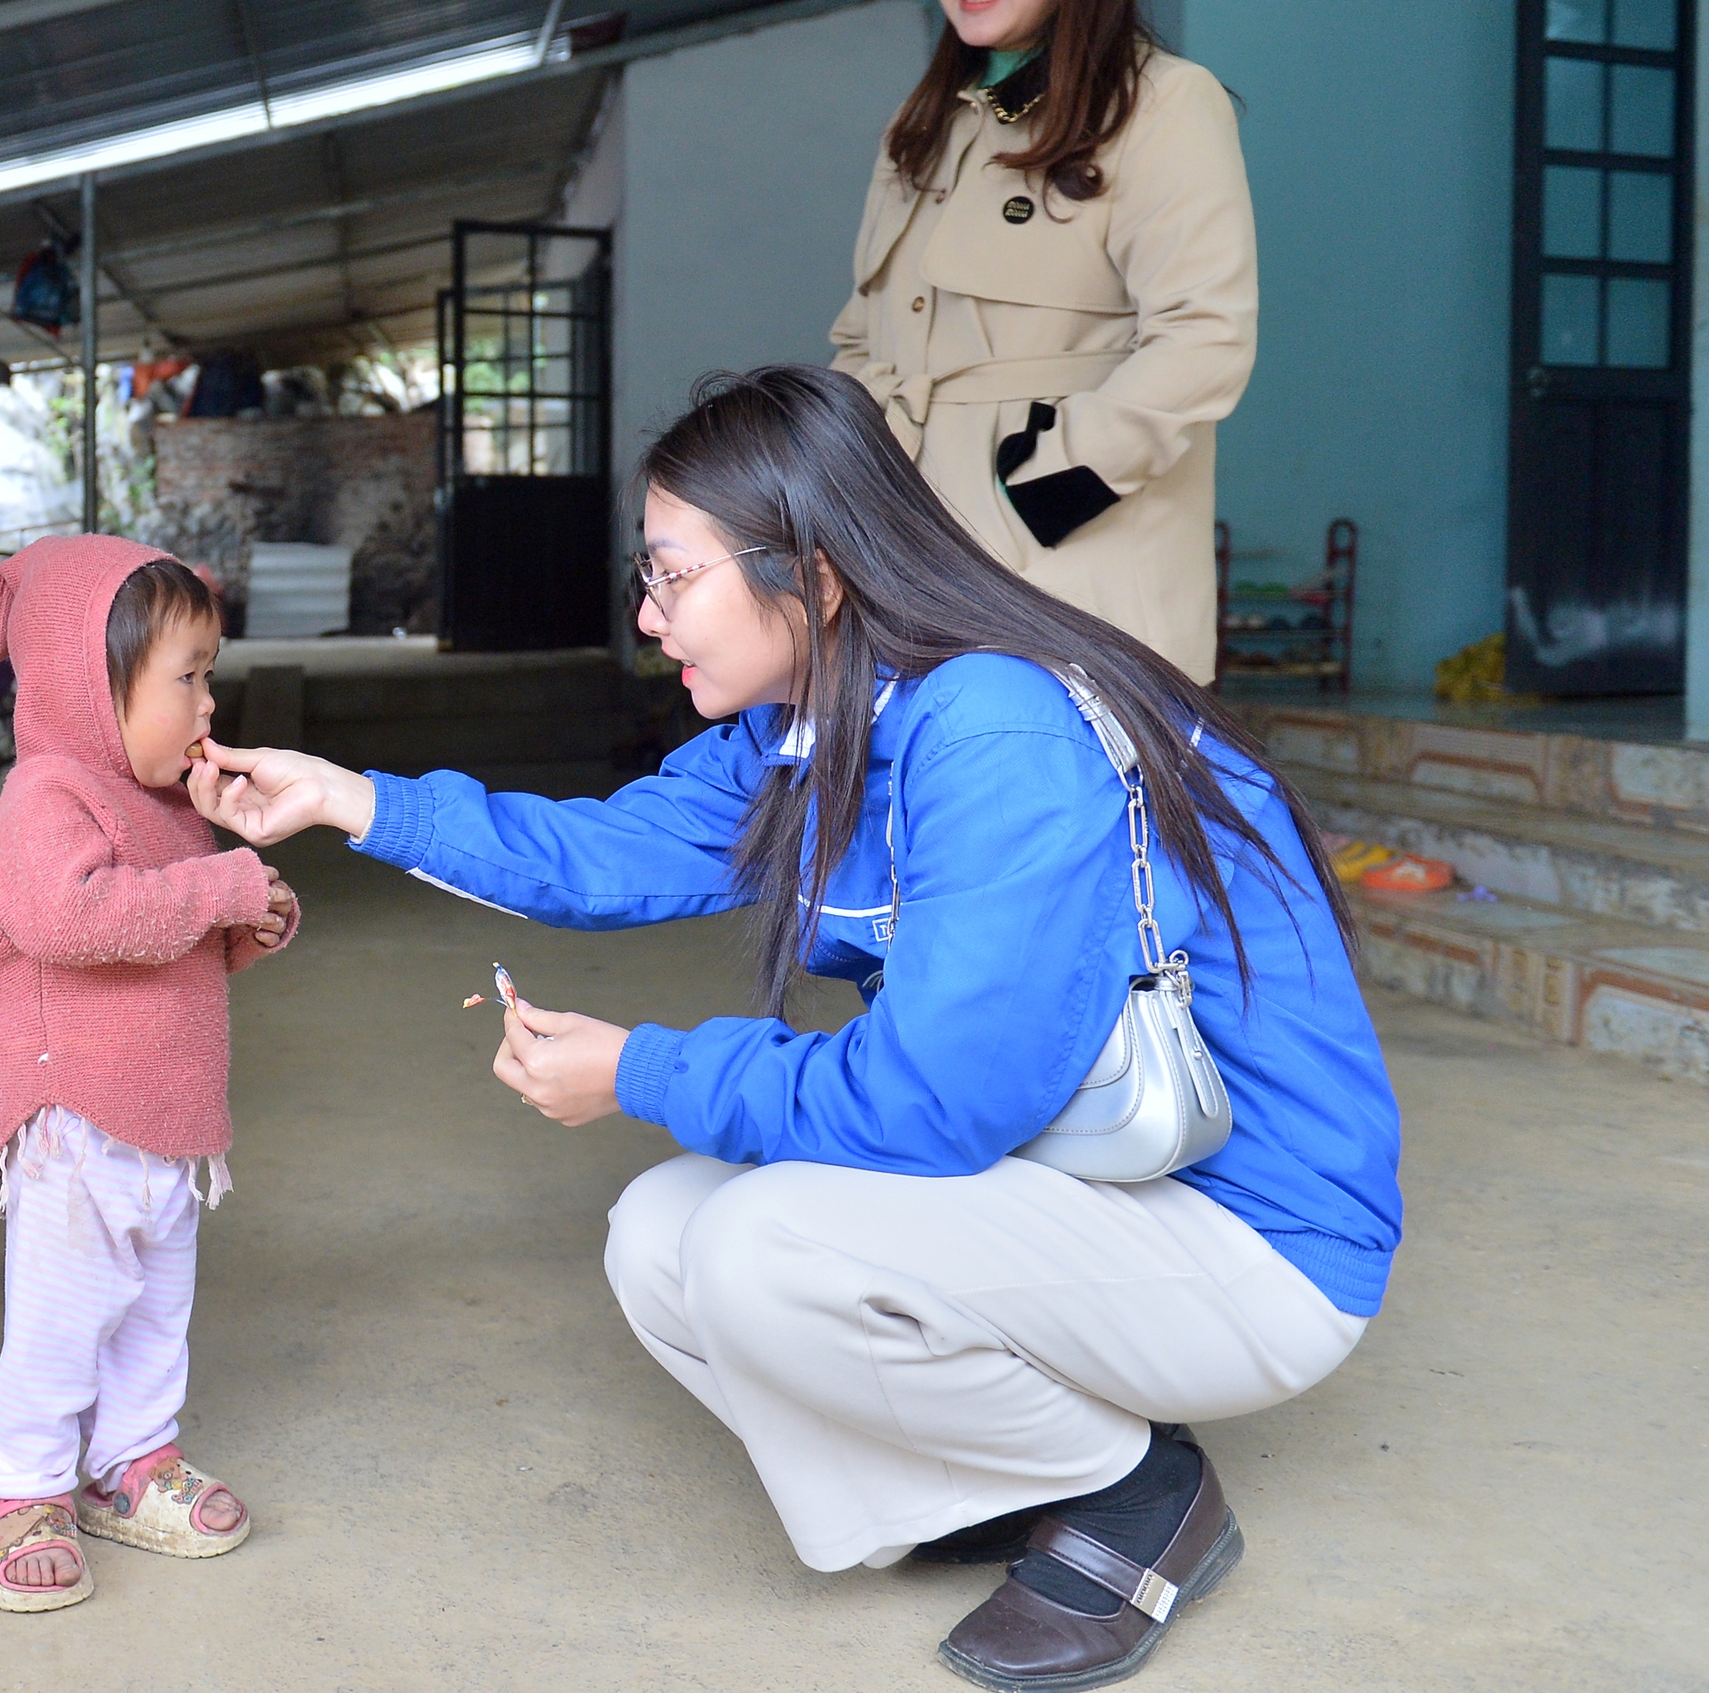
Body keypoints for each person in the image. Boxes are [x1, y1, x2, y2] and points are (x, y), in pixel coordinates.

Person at [190, 368, 1401, 1691]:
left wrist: (643, 1067)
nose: (650, 620)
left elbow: (933, 1105)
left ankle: (1136, 1491)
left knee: (765, 1247)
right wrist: (347, 796)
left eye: (671, 576)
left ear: (814, 573)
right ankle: (993, 1485)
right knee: (660, 1237)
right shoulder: (810, 721)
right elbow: (599, 854)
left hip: (1253, 1237)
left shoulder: (995, 730)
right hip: (1091, 1186)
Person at [828, 0, 1253, 683]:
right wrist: (838, 508)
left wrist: (1038, 488)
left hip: (1072, 590)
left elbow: (1203, 341)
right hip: (910, 579)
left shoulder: (1165, 105)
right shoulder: (925, 125)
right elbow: (865, 341)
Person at [0, 535, 297, 1612]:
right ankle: (23, 1487)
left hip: (165, 1120)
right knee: (65, 1317)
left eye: (209, 672)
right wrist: (220, 891)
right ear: (86, 689)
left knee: (156, 1307)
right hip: (74, 1124)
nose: (208, 703)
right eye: (186, 678)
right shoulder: (48, 796)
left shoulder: (167, 801)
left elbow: (174, 939)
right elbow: (72, 915)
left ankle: (133, 1458)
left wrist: (252, 914)